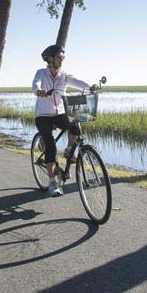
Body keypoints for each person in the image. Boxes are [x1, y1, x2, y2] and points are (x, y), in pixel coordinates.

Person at [32, 44, 98, 196]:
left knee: (75, 125)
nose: (61, 60)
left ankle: (69, 149)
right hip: (43, 115)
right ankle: (52, 181)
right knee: (51, 147)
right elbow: (35, 84)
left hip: (60, 113)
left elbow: (79, 82)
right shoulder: (41, 73)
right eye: (59, 57)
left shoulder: (64, 75)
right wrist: (39, 91)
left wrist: (91, 87)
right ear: (50, 59)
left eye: (62, 57)